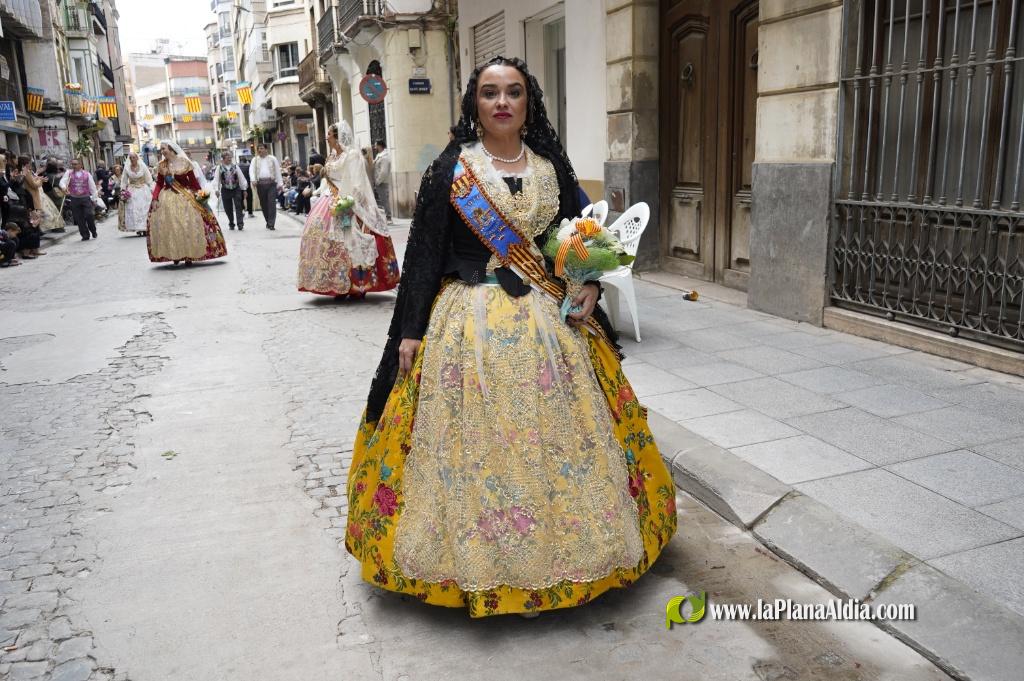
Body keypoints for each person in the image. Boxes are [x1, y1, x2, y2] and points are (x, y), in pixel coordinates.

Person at [344, 56, 676, 618]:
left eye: (513, 92)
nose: (502, 102)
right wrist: (409, 330)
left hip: (549, 318)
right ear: (474, 102)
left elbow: (578, 235)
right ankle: (477, 561)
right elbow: (424, 255)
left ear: (529, 103)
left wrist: (589, 283)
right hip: (465, 323)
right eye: (490, 92)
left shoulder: (551, 167)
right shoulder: (452, 169)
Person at [297, 122, 400, 298]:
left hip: (348, 202)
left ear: (337, 136)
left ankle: (358, 284)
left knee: (353, 241)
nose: (326, 137)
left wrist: (349, 204)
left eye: (329, 134)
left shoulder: (351, 156)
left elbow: (358, 184)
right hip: (330, 199)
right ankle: (335, 283)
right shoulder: (331, 156)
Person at [146, 140, 227, 266]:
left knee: (188, 224)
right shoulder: (161, 165)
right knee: (171, 226)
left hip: (186, 197)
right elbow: (159, 184)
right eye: (161, 149)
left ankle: (189, 254)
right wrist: (155, 198)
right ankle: (175, 254)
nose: (162, 152)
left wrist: (203, 199)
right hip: (167, 198)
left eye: (163, 149)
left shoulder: (185, 162)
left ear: (171, 149)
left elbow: (194, 182)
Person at [18, 156, 63, 233]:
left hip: (35, 193)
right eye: (29, 162)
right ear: (26, 163)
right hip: (33, 194)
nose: (31, 163)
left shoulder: (27, 171)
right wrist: (40, 181)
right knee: (36, 213)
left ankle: (39, 230)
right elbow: (33, 185)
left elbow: (32, 181)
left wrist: (38, 178)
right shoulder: (26, 171)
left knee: (39, 213)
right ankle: (38, 231)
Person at [59, 158, 100, 240]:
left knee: (89, 215)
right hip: (74, 198)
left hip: (85, 197)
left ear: (80, 165)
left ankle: (93, 230)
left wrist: (95, 198)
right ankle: (85, 235)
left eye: (75, 164)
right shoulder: (69, 173)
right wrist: (64, 188)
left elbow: (92, 187)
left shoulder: (87, 174)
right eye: (72, 164)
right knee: (79, 218)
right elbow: (62, 182)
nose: (73, 166)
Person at [211, 150, 249, 231]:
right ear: (223, 159)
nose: (229, 159)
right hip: (225, 189)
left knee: (238, 205)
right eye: (227, 158)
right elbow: (216, 179)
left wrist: (244, 189)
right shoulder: (219, 168)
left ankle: (240, 223)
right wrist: (216, 190)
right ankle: (231, 222)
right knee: (228, 208)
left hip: (236, 189)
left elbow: (241, 178)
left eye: (230, 158)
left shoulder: (236, 167)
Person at [118, 153, 154, 236]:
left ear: (137, 158)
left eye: (134, 157)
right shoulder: (127, 168)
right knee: (133, 208)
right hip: (132, 189)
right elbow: (124, 180)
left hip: (143, 189)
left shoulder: (143, 166)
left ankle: (145, 227)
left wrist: (152, 188)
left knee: (144, 208)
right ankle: (138, 228)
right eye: (131, 158)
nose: (132, 159)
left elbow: (148, 178)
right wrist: (123, 190)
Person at [248, 144, 282, 230]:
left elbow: (278, 171)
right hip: (260, 184)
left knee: (271, 203)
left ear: (266, 149)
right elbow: (251, 171)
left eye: (262, 148)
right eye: (258, 149)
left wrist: (280, 184)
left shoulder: (273, 158)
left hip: (271, 184)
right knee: (264, 204)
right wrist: (253, 179)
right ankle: (268, 220)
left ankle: (271, 223)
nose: (260, 150)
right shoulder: (254, 160)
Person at [371, 139, 392, 223]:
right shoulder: (380, 155)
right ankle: (387, 217)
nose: (375, 147)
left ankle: (389, 217)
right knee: (383, 199)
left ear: (380, 146)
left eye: (376, 145)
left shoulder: (385, 157)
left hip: (382, 182)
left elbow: (384, 172)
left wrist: (377, 181)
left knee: (384, 200)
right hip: (379, 182)